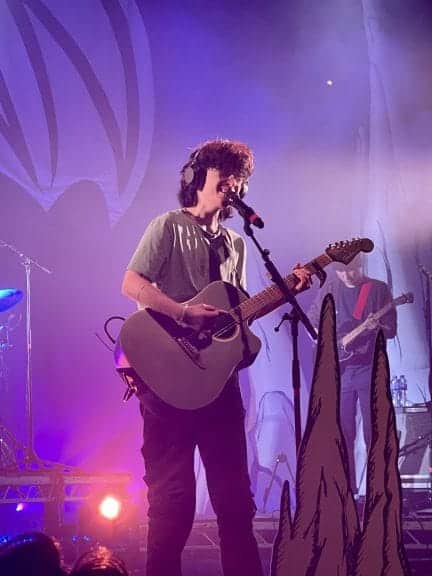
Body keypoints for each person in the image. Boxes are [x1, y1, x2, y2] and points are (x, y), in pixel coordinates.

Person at [121, 139, 310, 576]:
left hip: (218, 389)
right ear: (198, 177)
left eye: (239, 177)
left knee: (235, 504)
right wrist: (184, 312)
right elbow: (131, 284)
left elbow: (233, 315)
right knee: (173, 506)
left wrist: (287, 293)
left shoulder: (237, 244)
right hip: (166, 385)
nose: (233, 183)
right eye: (224, 172)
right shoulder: (167, 226)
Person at [308, 255, 397, 494]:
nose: (348, 276)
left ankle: (379, 491)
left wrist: (376, 327)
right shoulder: (330, 288)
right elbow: (313, 326)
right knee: (343, 432)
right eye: (343, 272)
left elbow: (391, 330)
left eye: (353, 270)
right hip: (342, 372)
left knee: (374, 432)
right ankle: (347, 492)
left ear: (362, 266)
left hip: (370, 370)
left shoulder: (377, 289)